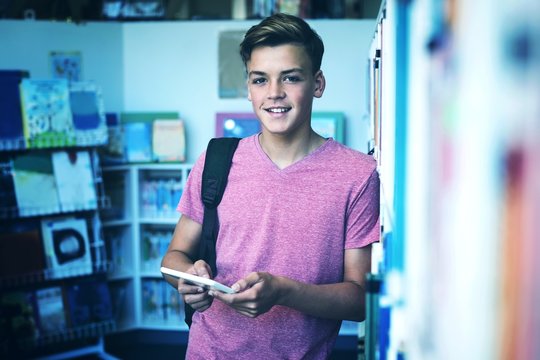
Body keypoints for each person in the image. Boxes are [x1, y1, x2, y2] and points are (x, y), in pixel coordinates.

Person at [161, 12, 380, 359]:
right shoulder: (216, 159)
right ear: (249, 88)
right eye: (260, 80)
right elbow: (174, 257)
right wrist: (188, 278)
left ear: (317, 84)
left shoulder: (358, 174)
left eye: (290, 78)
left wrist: (282, 292)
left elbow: (359, 300)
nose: (274, 93)